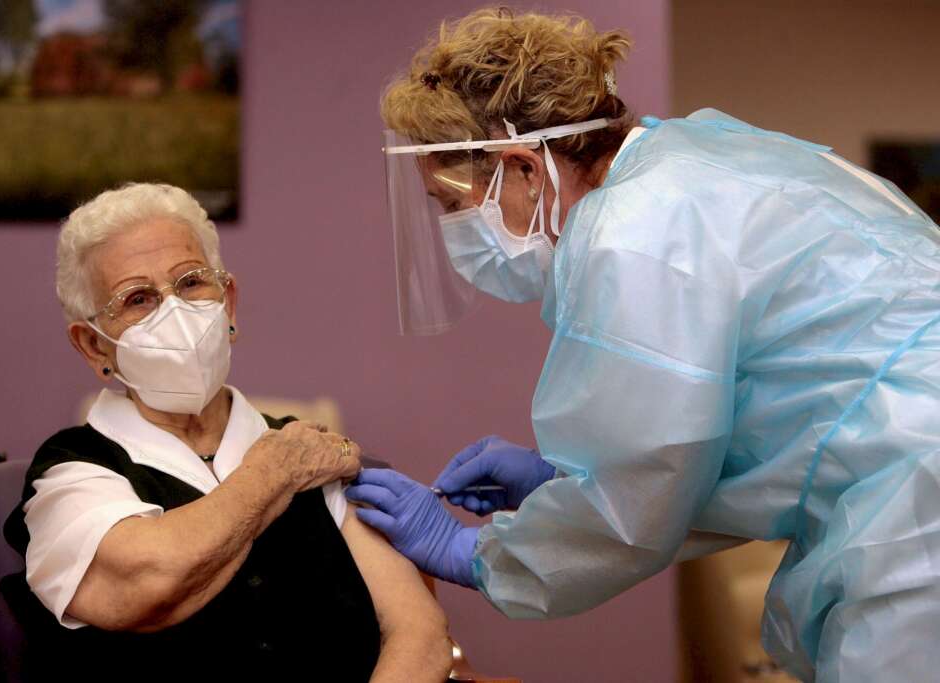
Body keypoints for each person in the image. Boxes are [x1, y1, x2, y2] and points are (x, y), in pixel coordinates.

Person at [345, 8, 940, 682]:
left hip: (920, 510)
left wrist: (475, 551)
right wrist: (567, 480)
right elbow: (711, 436)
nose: (454, 230)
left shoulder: (634, 229)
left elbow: (642, 492)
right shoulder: (691, 159)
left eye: (452, 205)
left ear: (523, 169)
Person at [2, 183, 452, 683]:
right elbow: (151, 579)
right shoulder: (72, 473)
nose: (174, 312)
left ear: (229, 303)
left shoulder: (309, 451)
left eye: (192, 283)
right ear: (93, 346)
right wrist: (274, 472)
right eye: (138, 298)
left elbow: (419, 634)